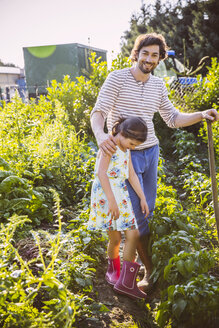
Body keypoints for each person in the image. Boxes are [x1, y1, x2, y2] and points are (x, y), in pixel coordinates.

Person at [90, 32, 219, 293]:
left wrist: (201, 114)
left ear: (160, 59)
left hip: (150, 153)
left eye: (155, 55)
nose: (149, 59)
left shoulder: (158, 85)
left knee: (145, 210)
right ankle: (142, 272)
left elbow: (171, 117)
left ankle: (134, 268)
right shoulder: (117, 78)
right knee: (135, 217)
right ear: (136, 53)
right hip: (126, 154)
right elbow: (99, 111)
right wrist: (102, 135)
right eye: (145, 53)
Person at [88, 116, 149, 299]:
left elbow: (131, 174)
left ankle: (124, 279)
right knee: (118, 238)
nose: (132, 147)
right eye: (131, 143)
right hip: (108, 195)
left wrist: (142, 197)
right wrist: (111, 201)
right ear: (122, 133)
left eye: (135, 145)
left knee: (128, 235)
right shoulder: (110, 145)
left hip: (120, 194)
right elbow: (101, 172)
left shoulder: (125, 148)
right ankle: (117, 275)